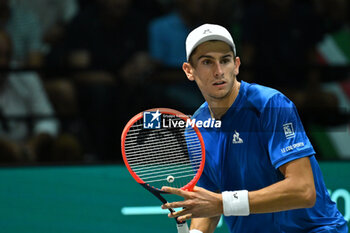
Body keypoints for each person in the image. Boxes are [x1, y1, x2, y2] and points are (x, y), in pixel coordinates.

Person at [160, 24, 348, 233]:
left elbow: (303, 190)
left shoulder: (270, 105)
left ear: (237, 65)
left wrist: (223, 203)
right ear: (189, 70)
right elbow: (209, 203)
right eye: (207, 62)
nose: (219, 71)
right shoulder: (195, 130)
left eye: (225, 60)